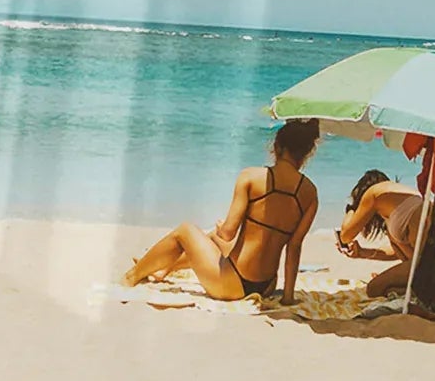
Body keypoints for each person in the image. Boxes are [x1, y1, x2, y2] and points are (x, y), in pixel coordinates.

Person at [125, 117, 321, 301]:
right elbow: (294, 248)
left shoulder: (251, 177)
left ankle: (131, 277)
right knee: (212, 238)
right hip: (267, 286)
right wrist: (288, 298)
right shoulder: (310, 193)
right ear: (305, 153)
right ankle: (164, 269)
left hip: (233, 283)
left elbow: (228, 233)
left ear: (277, 147)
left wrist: (221, 226)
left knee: (185, 231)